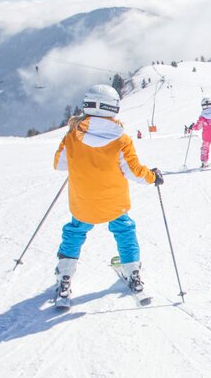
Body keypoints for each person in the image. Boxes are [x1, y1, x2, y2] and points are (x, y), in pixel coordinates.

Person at [52, 84, 161, 305]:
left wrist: (76, 157)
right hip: (114, 203)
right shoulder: (121, 140)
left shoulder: (73, 136)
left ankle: (64, 277)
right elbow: (134, 172)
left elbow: (59, 165)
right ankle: (133, 273)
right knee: (124, 230)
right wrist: (153, 176)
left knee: (74, 232)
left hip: (83, 203)